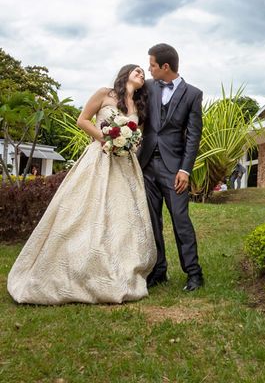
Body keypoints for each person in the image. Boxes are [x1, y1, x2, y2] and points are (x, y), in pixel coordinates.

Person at [7, 65, 156, 304]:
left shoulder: (138, 106)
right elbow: (82, 120)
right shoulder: (105, 93)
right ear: (125, 73)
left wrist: (128, 143)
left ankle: (119, 268)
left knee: (122, 217)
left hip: (125, 165)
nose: (141, 74)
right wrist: (108, 139)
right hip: (100, 157)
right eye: (137, 70)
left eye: (144, 73)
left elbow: (137, 135)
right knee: (84, 212)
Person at [138, 43, 204, 292]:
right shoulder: (148, 87)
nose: (149, 69)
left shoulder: (193, 94)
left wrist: (185, 170)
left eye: (152, 64)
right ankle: (159, 270)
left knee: (180, 219)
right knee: (152, 221)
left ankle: (194, 273)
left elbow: (193, 136)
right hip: (146, 166)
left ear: (166, 67)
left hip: (174, 169)